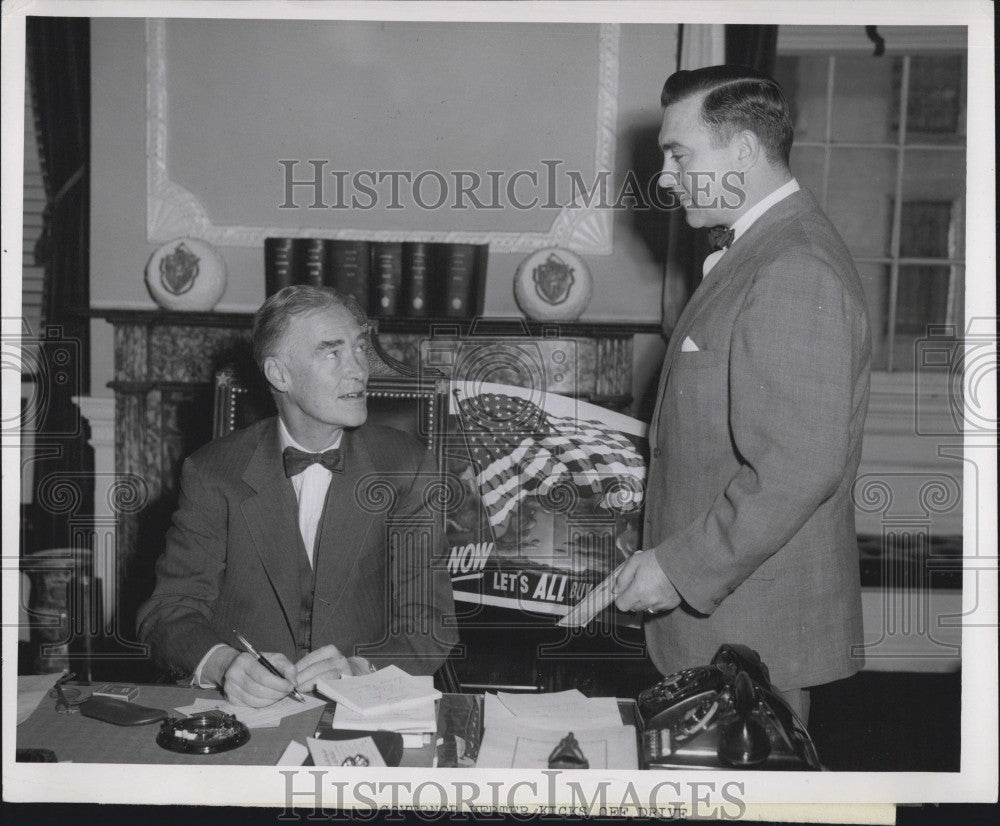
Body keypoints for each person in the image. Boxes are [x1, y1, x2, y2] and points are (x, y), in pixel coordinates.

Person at [614, 65, 871, 723]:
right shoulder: (765, 249)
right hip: (728, 628)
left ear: (744, 152)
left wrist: (675, 569)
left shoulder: (794, 266)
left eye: (679, 155)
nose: (665, 177)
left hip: (751, 641)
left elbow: (796, 468)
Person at [138, 286, 457, 707]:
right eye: (332, 353)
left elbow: (430, 623)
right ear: (280, 374)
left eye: (360, 348)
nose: (359, 369)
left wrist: (361, 669)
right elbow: (167, 612)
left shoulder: (408, 465)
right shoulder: (212, 472)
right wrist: (224, 664)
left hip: (362, 705)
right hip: (243, 711)